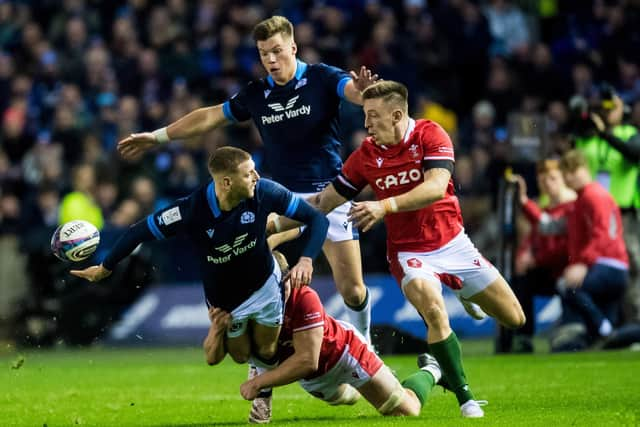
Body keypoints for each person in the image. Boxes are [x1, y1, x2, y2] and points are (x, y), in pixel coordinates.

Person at [117, 15, 377, 343]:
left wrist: (365, 91)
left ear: (293, 48)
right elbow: (209, 116)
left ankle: (366, 344)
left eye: (277, 51)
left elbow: (351, 89)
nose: (270, 59)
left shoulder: (321, 78)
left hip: (331, 194)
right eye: (263, 53)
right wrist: (156, 138)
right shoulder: (256, 94)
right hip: (281, 198)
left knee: (353, 290)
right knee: (253, 254)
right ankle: (259, 358)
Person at [275, 80, 525, 417]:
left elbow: (436, 187)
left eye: (373, 116)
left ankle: (462, 296)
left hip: (453, 243)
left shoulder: (430, 135)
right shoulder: (366, 155)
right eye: (364, 115)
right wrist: (275, 225)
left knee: (514, 318)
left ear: (396, 115)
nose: (366, 124)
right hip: (410, 253)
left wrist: (384, 207)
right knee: (434, 312)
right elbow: (323, 201)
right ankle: (466, 398)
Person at [71, 146, 329, 365]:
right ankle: (271, 233)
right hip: (225, 296)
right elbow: (138, 231)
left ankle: (272, 239)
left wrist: (306, 260)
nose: (256, 177)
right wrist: (105, 267)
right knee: (239, 356)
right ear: (226, 182)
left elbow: (316, 218)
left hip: (263, 282)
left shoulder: (265, 191)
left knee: (267, 351)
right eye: (248, 173)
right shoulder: (190, 210)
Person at [206, 251, 454, 423]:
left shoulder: (303, 297)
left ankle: (432, 370)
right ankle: (383, 378)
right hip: (313, 380)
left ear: (284, 280)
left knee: (405, 410)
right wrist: (217, 331)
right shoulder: (249, 305)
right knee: (351, 398)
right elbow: (214, 357)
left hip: (345, 354)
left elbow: (307, 360)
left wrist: (259, 383)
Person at [558, 149, 629, 343]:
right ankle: (606, 333)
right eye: (566, 174)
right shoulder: (585, 197)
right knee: (610, 328)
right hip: (612, 264)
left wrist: (583, 263)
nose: (570, 177)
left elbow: (602, 235)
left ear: (585, 169)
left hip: (608, 263)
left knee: (570, 288)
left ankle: (603, 332)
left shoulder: (592, 196)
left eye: (574, 171)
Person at [509, 159, 576, 352]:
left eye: (553, 178)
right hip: (551, 269)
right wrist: (523, 256)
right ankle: (523, 337)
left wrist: (535, 259)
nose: (548, 184)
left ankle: (572, 333)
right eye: (543, 181)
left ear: (563, 177)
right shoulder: (548, 207)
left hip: (569, 270)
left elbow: (559, 242)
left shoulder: (572, 205)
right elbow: (533, 237)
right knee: (521, 281)